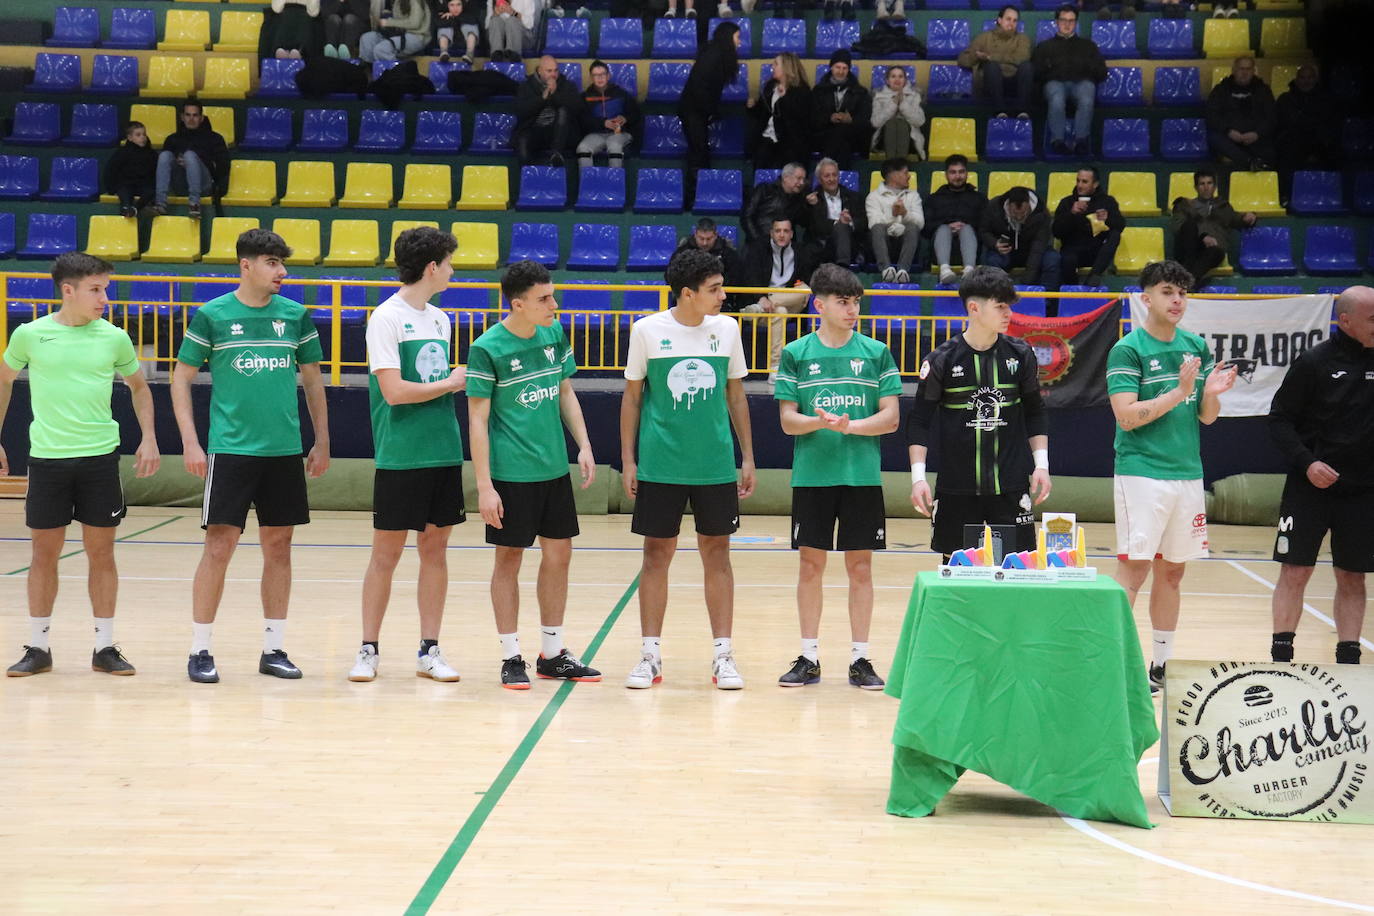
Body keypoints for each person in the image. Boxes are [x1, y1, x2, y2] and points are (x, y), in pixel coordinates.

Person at [172, 229, 331, 684]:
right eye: (271, 262)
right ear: (246, 265)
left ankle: (274, 647)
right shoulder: (213, 315)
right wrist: (189, 441)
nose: (281, 272)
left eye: (283, 263)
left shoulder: (296, 316)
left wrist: (321, 440)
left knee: (279, 546)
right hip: (232, 451)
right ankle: (200, 649)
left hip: (283, 452)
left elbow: (314, 384)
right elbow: (181, 380)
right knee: (219, 546)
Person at [0, 253, 159, 677]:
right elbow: (3, 381)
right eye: (96, 289)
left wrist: (149, 438)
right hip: (48, 461)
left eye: (106, 288)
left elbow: (140, 389)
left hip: (99, 460)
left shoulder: (115, 338)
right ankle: (38, 647)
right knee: (43, 554)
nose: (104, 297)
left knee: (101, 553)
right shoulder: (30, 335)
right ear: (68, 291)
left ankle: (104, 647)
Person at [620, 249, 755, 690]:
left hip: (714, 465)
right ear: (687, 293)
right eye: (714, 289)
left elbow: (736, 396)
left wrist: (748, 456)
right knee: (656, 556)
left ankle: (723, 656)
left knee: (718, 555)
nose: (722, 296)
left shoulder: (728, 330)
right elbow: (633, 399)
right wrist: (628, 460)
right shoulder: (646, 331)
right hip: (661, 465)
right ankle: (649, 655)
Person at [467, 261, 602, 689]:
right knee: (509, 558)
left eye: (553, 295)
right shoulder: (487, 347)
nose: (554, 305)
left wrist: (582, 443)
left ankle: (552, 653)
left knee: (559, 554)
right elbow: (477, 419)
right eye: (544, 299)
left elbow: (564, 391)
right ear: (518, 303)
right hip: (511, 474)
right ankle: (510, 656)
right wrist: (485, 486)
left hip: (552, 470)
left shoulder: (553, 335)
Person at [1106, 259, 1237, 692]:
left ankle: (1160, 666)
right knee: (1135, 570)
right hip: (1142, 473)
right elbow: (1126, 417)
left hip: (1187, 473)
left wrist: (1210, 396)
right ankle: (1115, 664)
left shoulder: (1196, 346)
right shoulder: (1128, 349)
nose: (1177, 300)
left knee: (1173, 573)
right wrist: (1178, 391)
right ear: (1146, 299)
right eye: (1167, 291)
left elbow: (1205, 417)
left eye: (1182, 292)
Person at [347, 227, 467, 684]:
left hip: (443, 451)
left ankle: (429, 650)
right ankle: (368, 648)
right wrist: (451, 382)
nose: (453, 271)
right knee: (386, 554)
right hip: (401, 454)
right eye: (450, 263)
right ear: (432, 267)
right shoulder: (386, 318)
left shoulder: (441, 319)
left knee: (435, 550)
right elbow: (394, 392)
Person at [774, 264, 901, 690]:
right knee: (811, 566)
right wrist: (821, 422)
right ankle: (808, 657)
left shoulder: (876, 352)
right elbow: (788, 422)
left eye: (856, 303)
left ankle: (860, 659)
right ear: (820, 304)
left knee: (860, 567)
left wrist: (851, 427)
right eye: (844, 302)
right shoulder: (796, 353)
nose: (852, 310)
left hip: (861, 476)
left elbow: (891, 418)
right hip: (812, 476)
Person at [906, 265, 1051, 562]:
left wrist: (1042, 465)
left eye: (1009, 306)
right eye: (1000, 306)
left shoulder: (1021, 355)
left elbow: (1035, 412)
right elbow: (920, 421)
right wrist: (918, 479)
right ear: (974, 308)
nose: (1008, 313)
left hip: (1010, 487)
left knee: (1016, 573)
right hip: (956, 489)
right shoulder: (941, 360)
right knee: (957, 574)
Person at [1266, 286, 1374, 666]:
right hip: (1309, 488)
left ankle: (1348, 660)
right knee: (1295, 570)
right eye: (1372, 318)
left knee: (1353, 576)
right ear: (1345, 320)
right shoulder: (1314, 363)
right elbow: (1279, 420)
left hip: (1362, 493)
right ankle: (1282, 657)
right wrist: (1307, 463)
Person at [740, 217, 818, 382]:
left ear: (792, 234)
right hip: (768, 307)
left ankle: (759, 308)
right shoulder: (759, 250)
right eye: (777, 231)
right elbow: (750, 278)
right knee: (780, 312)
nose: (781, 235)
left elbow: (807, 280)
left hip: (787, 303)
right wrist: (761, 298)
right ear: (771, 233)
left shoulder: (800, 251)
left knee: (805, 289)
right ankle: (775, 368)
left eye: (786, 231)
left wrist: (767, 301)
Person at [1031, 5, 1107, 155]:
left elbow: (1102, 72)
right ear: (1056, 22)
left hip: (1082, 82)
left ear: (1076, 22)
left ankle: (1081, 141)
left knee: (1086, 96)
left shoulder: (1088, 46)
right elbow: (1036, 73)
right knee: (1057, 98)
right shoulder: (1044, 47)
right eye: (1063, 20)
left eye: (1071, 21)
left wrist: (1087, 68)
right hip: (1054, 83)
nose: (1067, 24)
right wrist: (1050, 71)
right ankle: (1057, 141)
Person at [678, 22, 741, 198]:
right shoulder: (714, 55)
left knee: (699, 152)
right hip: (694, 110)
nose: (739, 42)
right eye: (737, 37)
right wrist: (711, 110)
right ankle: (694, 196)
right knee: (698, 153)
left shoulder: (715, 53)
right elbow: (700, 88)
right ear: (729, 37)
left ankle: (699, 193)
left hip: (698, 110)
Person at [1169, 169, 1256, 290]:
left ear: (1215, 186)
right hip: (1188, 249)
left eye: (1209, 183)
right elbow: (1177, 227)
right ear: (1196, 187)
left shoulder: (1223, 207)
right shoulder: (1184, 205)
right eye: (1202, 184)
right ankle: (1188, 277)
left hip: (1209, 252)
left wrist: (1248, 217)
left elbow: (1236, 218)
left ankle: (1187, 281)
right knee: (1189, 225)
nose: (1206, 187)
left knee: (1217, 252)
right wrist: (1202, 237)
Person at [1275, 64, 1344, 206]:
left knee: (1335, 152)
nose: (1306, 81)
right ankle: (1286, 196)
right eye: (1303, 77)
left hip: (1319, 140)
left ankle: (1331, 197)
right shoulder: (1285, 99)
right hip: (1293, 139)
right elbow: (1286, 122)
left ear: (1316, 79)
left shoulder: (1326, 99)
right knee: (1286, 153)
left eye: (1310, 77)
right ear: (1296, 79)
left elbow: (1330, 123)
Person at [1051, 164, 1124, 289]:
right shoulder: (1067, 202)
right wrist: (1071, 214)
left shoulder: (1108, 201)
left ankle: (1093, 277)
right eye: (1078, 181)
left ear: (1095, 184)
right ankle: (1073, 292)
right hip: (1072, 250)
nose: (1079, 185)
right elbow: (1056, 232)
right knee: (1067, 259)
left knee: (1115, 235)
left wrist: (1108, 219)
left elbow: (1120, 225)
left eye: (1084, 182)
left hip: (1097, 253)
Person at [153, 102, 228, 221]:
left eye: (195, 115)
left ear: (201, 118)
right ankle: (160, 203)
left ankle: (195, 204)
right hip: (180, 184)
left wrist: (194, 162)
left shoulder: (214, 139)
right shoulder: (172, 139)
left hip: (204, 184)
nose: (191, 119)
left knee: (189, 155)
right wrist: (179, 162)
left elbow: (223, 166)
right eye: (188, 115)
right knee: (165, 155)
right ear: (182, 117)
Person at [956, 5, 1033, 118]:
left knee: (1027, 66)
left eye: (1015, 20)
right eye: (1008, 19)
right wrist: (977, 57)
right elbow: (962, 60)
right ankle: (999, 111)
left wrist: (990, 56)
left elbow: (1022, 58)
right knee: (991, 66)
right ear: (999, 20)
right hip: (992, 84)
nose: (1011, 23)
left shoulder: (1023, 38)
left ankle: (1022, 111)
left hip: (1016, 84)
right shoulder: (984, 38)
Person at [979, 185, 1060, 290]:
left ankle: (1047, 302)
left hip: (1032, 251)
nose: (1018, 217)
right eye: (1014, 214)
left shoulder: (1042, 214)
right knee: (992, 260)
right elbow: (984, 231)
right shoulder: (994, 207)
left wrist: (1025, 285)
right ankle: (999, 299)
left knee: (1052, 259)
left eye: (1023, 214)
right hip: (1005, 251)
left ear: (1030, 206)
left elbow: (1037, 249)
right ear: (1007, 205)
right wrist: (995, 243)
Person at [1205, 56, 1277, 171]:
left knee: (1274, 143)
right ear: (1233, 70)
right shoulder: (1221, 90)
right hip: (1230, 139)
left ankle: (1251, 162)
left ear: (1254, 71)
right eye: (1241, 69)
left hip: (1256, 138)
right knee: (1213, 137)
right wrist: (1229, 131)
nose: (1244, 72)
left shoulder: (1263, 90)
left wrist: (1257, 134)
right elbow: (1211, 115)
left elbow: (1271, 117)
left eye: (1248, 69)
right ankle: (1250, 162)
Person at [925, 154, 986, 286]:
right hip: (939, 250)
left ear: (967, 173)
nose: (957, 176)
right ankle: (945, 270)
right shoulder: (934, 199)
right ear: (946, 175)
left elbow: (985, 225)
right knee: (943, 229)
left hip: (972, 247)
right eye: (953, 172)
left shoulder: (979, 198)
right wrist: (948, 225)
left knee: (967, 229)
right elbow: (926, 227)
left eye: (961, 172)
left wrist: (964, 226)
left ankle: (969, 270)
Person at [514, 55, 582, 166]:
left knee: (563, 111)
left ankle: (557, 154)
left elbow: (577, 108)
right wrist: (542, 99)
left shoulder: (568, 85)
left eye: (555, 70)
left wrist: (555, 94)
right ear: (539, 71)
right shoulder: (525, 86)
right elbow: (522, 112)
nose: (553, 74)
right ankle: (528, 175)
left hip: (561, 133)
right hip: (535, 130)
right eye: (549, 71)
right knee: (522, 141)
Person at [748, 52, 812, 170]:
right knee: (761, 155)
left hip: (790, 139)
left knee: (789, 157)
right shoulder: (770, 87)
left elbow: (799, 120)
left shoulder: (802, 91)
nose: (772, 67)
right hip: (768, 135)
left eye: (776, 64)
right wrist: (752, 107)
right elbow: (763, 113)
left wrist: (784, 98)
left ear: (786, 68)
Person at [866, 157, 924, 284]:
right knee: (877, 228)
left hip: (906, 242)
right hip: (883, 243)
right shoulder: (873, 197)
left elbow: (920, 222)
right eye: (905, 173)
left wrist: (905, 214)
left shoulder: (913, 196)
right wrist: (893, 217)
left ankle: (903, 271)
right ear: (893, 175)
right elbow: (873, 222)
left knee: (913, 227)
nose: (908, 176)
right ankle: (886, 270)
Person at [811, 50, 872, 169]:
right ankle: (838, 177)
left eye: (844, 68)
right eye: (837, 67)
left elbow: (865, 119)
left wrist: (851, 120)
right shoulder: (818, 91)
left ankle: (825, 171)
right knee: (842, 143)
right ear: (831, 68)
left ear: (849, 69)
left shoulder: (860, 92)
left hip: (852, 135)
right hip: (824, 135)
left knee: (841, 133)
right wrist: (830, 118)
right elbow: (813, 117)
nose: (841, 71)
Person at [577, 59, 641, 170]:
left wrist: (625, 118)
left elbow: (636, 114)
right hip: (596, 133)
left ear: (608, 76)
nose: (600, 78)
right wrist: (603, 123)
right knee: (582, 148)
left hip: (620, 133)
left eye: (602, 74)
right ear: (591, 78)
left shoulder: (621, 94)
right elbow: (583, 120)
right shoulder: (585, 97)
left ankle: (615, 184)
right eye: (596, 75)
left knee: (614, 145)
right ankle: (588, 182)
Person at [806, 157, 867, 269]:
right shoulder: (813, 199)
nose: (832, 179)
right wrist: (836, 223)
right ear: (819, 179)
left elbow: (863, 222)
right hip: (822, 246)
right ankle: (842, 269)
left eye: (834, 175)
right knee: (840, 226)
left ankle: (842, 267)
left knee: (843, 227)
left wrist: (850, 223)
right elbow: (814, 227)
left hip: (850, 245)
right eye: (827, 176)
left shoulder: (854, 197)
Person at [672, 218, 745, 300]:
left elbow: (736, 278)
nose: (704, 243)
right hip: (690, 297)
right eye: (701, 238)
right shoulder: (683, 251)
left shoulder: (728, 253)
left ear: (715, 235)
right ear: (695, 234)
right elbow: (672, 275)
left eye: (708, 239)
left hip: (720, 298)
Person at [743, 161, 809, 247]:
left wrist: (809, 205)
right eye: (799, 178)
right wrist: (758, 240)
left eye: (803, 179)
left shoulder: (799, 198)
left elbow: (804, 222)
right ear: (785, 177)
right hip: (759, 243)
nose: (802, 183)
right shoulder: (764, 189)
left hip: (785, 246)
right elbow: (746, 216)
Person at [868, 65, 926, 161]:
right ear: (887, 81)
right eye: (893, 76)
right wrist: (893, 104)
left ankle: (899, 164)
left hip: (911, 140)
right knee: (892, 123)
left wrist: (903, 104)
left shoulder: (914, 96)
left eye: (900, 76)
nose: (897, 79)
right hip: (883, 140)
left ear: (905, 80)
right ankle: (893, 165)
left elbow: (920, 121)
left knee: (901, 123)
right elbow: (875, 123)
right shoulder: (879, 97)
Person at [104, 120, 157, 219]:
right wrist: (111, 189)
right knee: (124, 190)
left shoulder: (152, 154)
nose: (142, 137)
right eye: (138, 135)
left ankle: (135, 209)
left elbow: (155, 174)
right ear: (130, 137)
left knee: (150, 191)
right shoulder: (122, 153)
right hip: (127, 184)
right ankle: (126, 207)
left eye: (144, 134)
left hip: (144, 186)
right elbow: (110, 170)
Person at [359, 0, 431, 61]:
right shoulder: (397, 1)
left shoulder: (415, 1)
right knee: (367, 38)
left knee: (381, 49)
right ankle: (374, 70)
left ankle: (397, 72)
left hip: (416, 36)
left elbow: (415, 23)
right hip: (398, 34)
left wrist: (389, 22)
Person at [436, 0, 480, 64]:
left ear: (462, 5)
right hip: (450, 43)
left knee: (469, 26)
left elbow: (473, 19)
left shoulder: (470, 9)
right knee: (445, 28)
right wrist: (451, 18)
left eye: (458, 5)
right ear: (447, 6)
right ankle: (444, 53)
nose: (455, 8)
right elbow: (438, 23)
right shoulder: (443, 12)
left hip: (466, 41)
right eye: (452, 5)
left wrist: (455, 17)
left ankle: (470, 55)